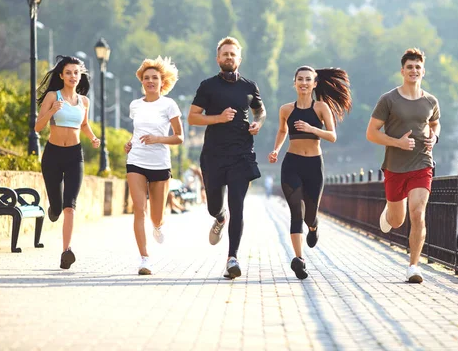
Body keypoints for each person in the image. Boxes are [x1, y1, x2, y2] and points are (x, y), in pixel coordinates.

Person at [188, 36, 266, 279]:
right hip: (213, 154)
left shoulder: (248, 86)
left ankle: (232, 258)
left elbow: (260, 111)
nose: (229, 57)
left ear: (239, 59)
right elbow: (193, 117)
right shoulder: (207, 86)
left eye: (233, 54)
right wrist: (218, 118)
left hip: (242, 153)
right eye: (225, 54)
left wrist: (258, 123)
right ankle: (219, 218)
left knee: (238, 206)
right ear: (218, 58)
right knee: (214, 204)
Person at [268, 66, 352, 279]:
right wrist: (276, 150)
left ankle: (313, 227)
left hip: (314, 165)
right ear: (294, 83)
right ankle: (299, 259)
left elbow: (332, 136)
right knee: (296, 211)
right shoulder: (285, 109)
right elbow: (282, 131)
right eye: (300, 79)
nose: (304, 83)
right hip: (292, 164)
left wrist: (311, 128)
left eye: (308, 79)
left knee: (310, 214)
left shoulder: (321, 107)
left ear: (315, 84)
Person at [366, 48, 440, 284]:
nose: (414, 71)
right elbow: (371, 133)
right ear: (402, 71)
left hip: (422, 163)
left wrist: (434, 137)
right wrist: (396, 142)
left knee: (418, 214)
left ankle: (413, 266)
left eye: (418, 67)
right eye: (410, 67)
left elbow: (435, 123)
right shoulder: (389, 99)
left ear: (423, 71)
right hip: (395, 167)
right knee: (397, 221)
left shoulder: (430, 101)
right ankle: (389, 213)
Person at [35, 55, 100, 269]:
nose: (73, 76)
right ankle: (53, 208)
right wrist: (52, 111)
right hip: (52, 155)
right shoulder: (53, 96)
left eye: (76, 72)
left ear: (80, 76)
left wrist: (92, 137)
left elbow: (84, 124)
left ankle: (66, 250)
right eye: (69, 72)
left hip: (75, 156)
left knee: (70, 206)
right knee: (57, 205)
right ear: (62, 75)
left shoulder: (84, 101)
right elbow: (38, 127)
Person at [124, 56, 183, 275]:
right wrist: (129, 143)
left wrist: (157, 139)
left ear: (162, 81)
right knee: (139, 209)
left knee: (156, 216)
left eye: (154, 78)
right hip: (136, 160)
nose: (150, 81)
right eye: (146, 78)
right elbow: (137, 132)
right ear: (142, 81)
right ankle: (144, 258)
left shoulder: (169, 105)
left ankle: (158, 226)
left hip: (159, 163)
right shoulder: (135, 105)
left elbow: (179, 137)